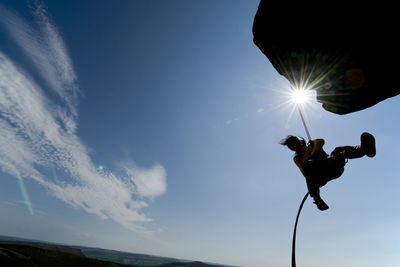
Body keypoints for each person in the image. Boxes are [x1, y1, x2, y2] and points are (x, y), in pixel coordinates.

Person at [280, 132, 376, 210]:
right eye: (289, 147)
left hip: (331, 165)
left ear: (297, 141)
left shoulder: (312, 144)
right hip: (321, 174)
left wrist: (313, 150)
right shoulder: (298, 158)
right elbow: (305, 173)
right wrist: (311, 158)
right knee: (308, 165)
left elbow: (321, 141)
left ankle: (362, 149)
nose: (291, 148)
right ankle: (317, 199)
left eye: (291, 145)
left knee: (338, 150)